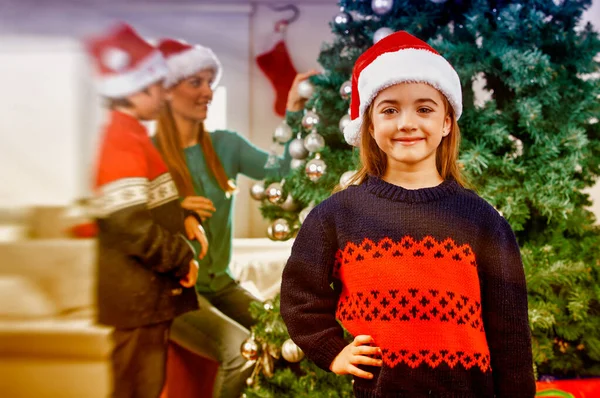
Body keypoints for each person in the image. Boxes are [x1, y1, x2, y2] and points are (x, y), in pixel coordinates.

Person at [280, 31, 536, 398]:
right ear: (369, 124)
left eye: (425, 108)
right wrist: (331, 350)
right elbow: (299, 297)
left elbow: (511, 335)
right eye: (389, 110)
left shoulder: (484, 221)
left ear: (447, 122)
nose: (406, 123)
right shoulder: (336, 216)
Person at [153, 38, 315, 397]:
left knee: (284, 333)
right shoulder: (149, 154)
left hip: (222, 285)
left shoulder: (227, 145)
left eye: (210, 82)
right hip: (172, 295)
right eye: (195, 82)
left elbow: (284, 170)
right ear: (166, 92)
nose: (208, 91)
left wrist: (293, 113)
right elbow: (133, 226)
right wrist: (175, 213)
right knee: (239, 351)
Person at [85, 24, 208, 398]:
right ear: (135, 90)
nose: (163, 96)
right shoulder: (121, 139)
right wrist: (181, 258)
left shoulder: (131, 133)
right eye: (158, 88)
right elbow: (129, 223)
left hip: (146, 295)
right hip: (137, 295)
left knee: (147, 384)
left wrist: (183, 215)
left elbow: (145, 204)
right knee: (137, 386)